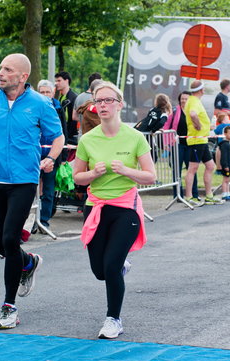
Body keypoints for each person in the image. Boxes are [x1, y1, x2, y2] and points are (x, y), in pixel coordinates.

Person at [0, 53, 64, 330]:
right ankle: (29, 261)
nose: (1, 73)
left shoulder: (41, 103)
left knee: (11, 238)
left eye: (8, 69)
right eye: (0, 67)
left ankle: (9, 307)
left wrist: (50, 158)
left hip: (24, 180)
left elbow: (57, 137)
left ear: (23, 77)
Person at [73, 81, 156, 339]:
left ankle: (113, 319)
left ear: (119, 104)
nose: (104, 105)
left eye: (109, 100)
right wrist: (92, 173)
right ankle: (119, 266)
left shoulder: (135, 137)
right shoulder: (87, 139)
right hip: (96, 207)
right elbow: (77, 177)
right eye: (99, 101)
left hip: (125, 209)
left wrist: (127, 171)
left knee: (110, 267)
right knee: (100, 271)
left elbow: (151, 176)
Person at [184, 80, 223, 206]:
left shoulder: (194, 100)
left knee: (211, 166)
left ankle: (209, 196)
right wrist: (198, 125)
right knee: (192, 168)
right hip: (197, 140)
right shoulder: (194, 101)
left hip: (202, 139)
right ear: (201, 90)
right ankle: (189, 197)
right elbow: (193, 114)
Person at [36, 79, 67, 229]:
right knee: (30, 190)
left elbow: (63, 133)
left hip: (52, 155)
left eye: (48, 92)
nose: (45, 95)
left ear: (53, 93)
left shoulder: (58, 108)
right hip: (34, 154)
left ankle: (44, 221)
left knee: (48, 190)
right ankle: (29, 222)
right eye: (42, 92)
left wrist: (63, 157)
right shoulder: (33, 107)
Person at [163, 91, 199, 199]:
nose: (184, 100)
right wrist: (166, 143)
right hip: (177, 145)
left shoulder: (193, 111)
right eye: (182, 98)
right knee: (176, 170)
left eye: (186, 98)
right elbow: (166, 127)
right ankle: (177, 195)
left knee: (192, 170)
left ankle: (194, 194)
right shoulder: (174, 111)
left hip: (191, 144)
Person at [55, 71, 78, 148]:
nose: (56, 83)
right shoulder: (60, 97)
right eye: (56, 81)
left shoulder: (73, 98)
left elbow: (74, 119)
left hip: (70, 139)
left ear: (66, 81)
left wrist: (68, 137)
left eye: (59, 80)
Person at [218, 126, 230, 202]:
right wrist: (225, 165)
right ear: (225, 134)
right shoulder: (224, 144)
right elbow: (224, 156)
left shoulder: (229, 143)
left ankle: (228, 193)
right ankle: (224, 194)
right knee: (225, 180)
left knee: (228, 180)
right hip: (226, 166)